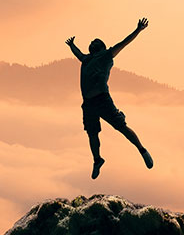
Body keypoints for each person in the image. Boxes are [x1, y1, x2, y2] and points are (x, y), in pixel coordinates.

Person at [65, 18, 153, 179]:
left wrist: (138, 30)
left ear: (100, 47)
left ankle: (142, 150)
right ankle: (97, 160)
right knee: (92, 133)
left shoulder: (106, 55)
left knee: (121, 127)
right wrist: (72, 46)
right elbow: (78, 54)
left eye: (95, 41)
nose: (92, 42)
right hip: (88, 103)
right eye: (91, 41)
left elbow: (124, 43)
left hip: (102, 99)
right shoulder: (86, 59)